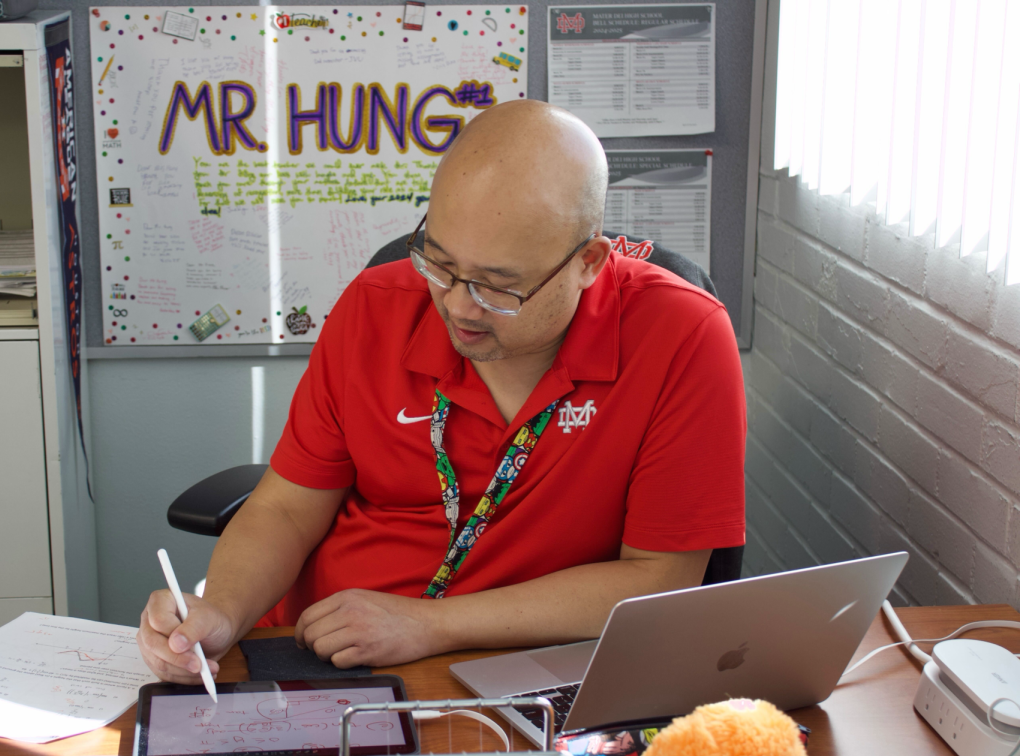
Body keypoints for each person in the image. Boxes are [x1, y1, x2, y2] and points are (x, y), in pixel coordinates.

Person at [138, 100, 746, 682]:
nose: (457, 306)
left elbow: (659, 577)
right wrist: (222, 610)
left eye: (496, 287)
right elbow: (285, 506)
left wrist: (430, 624)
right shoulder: (376, 306)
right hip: (320, 651)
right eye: (440, 264)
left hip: (530, 666)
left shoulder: (681, 335)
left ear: (588, 262)